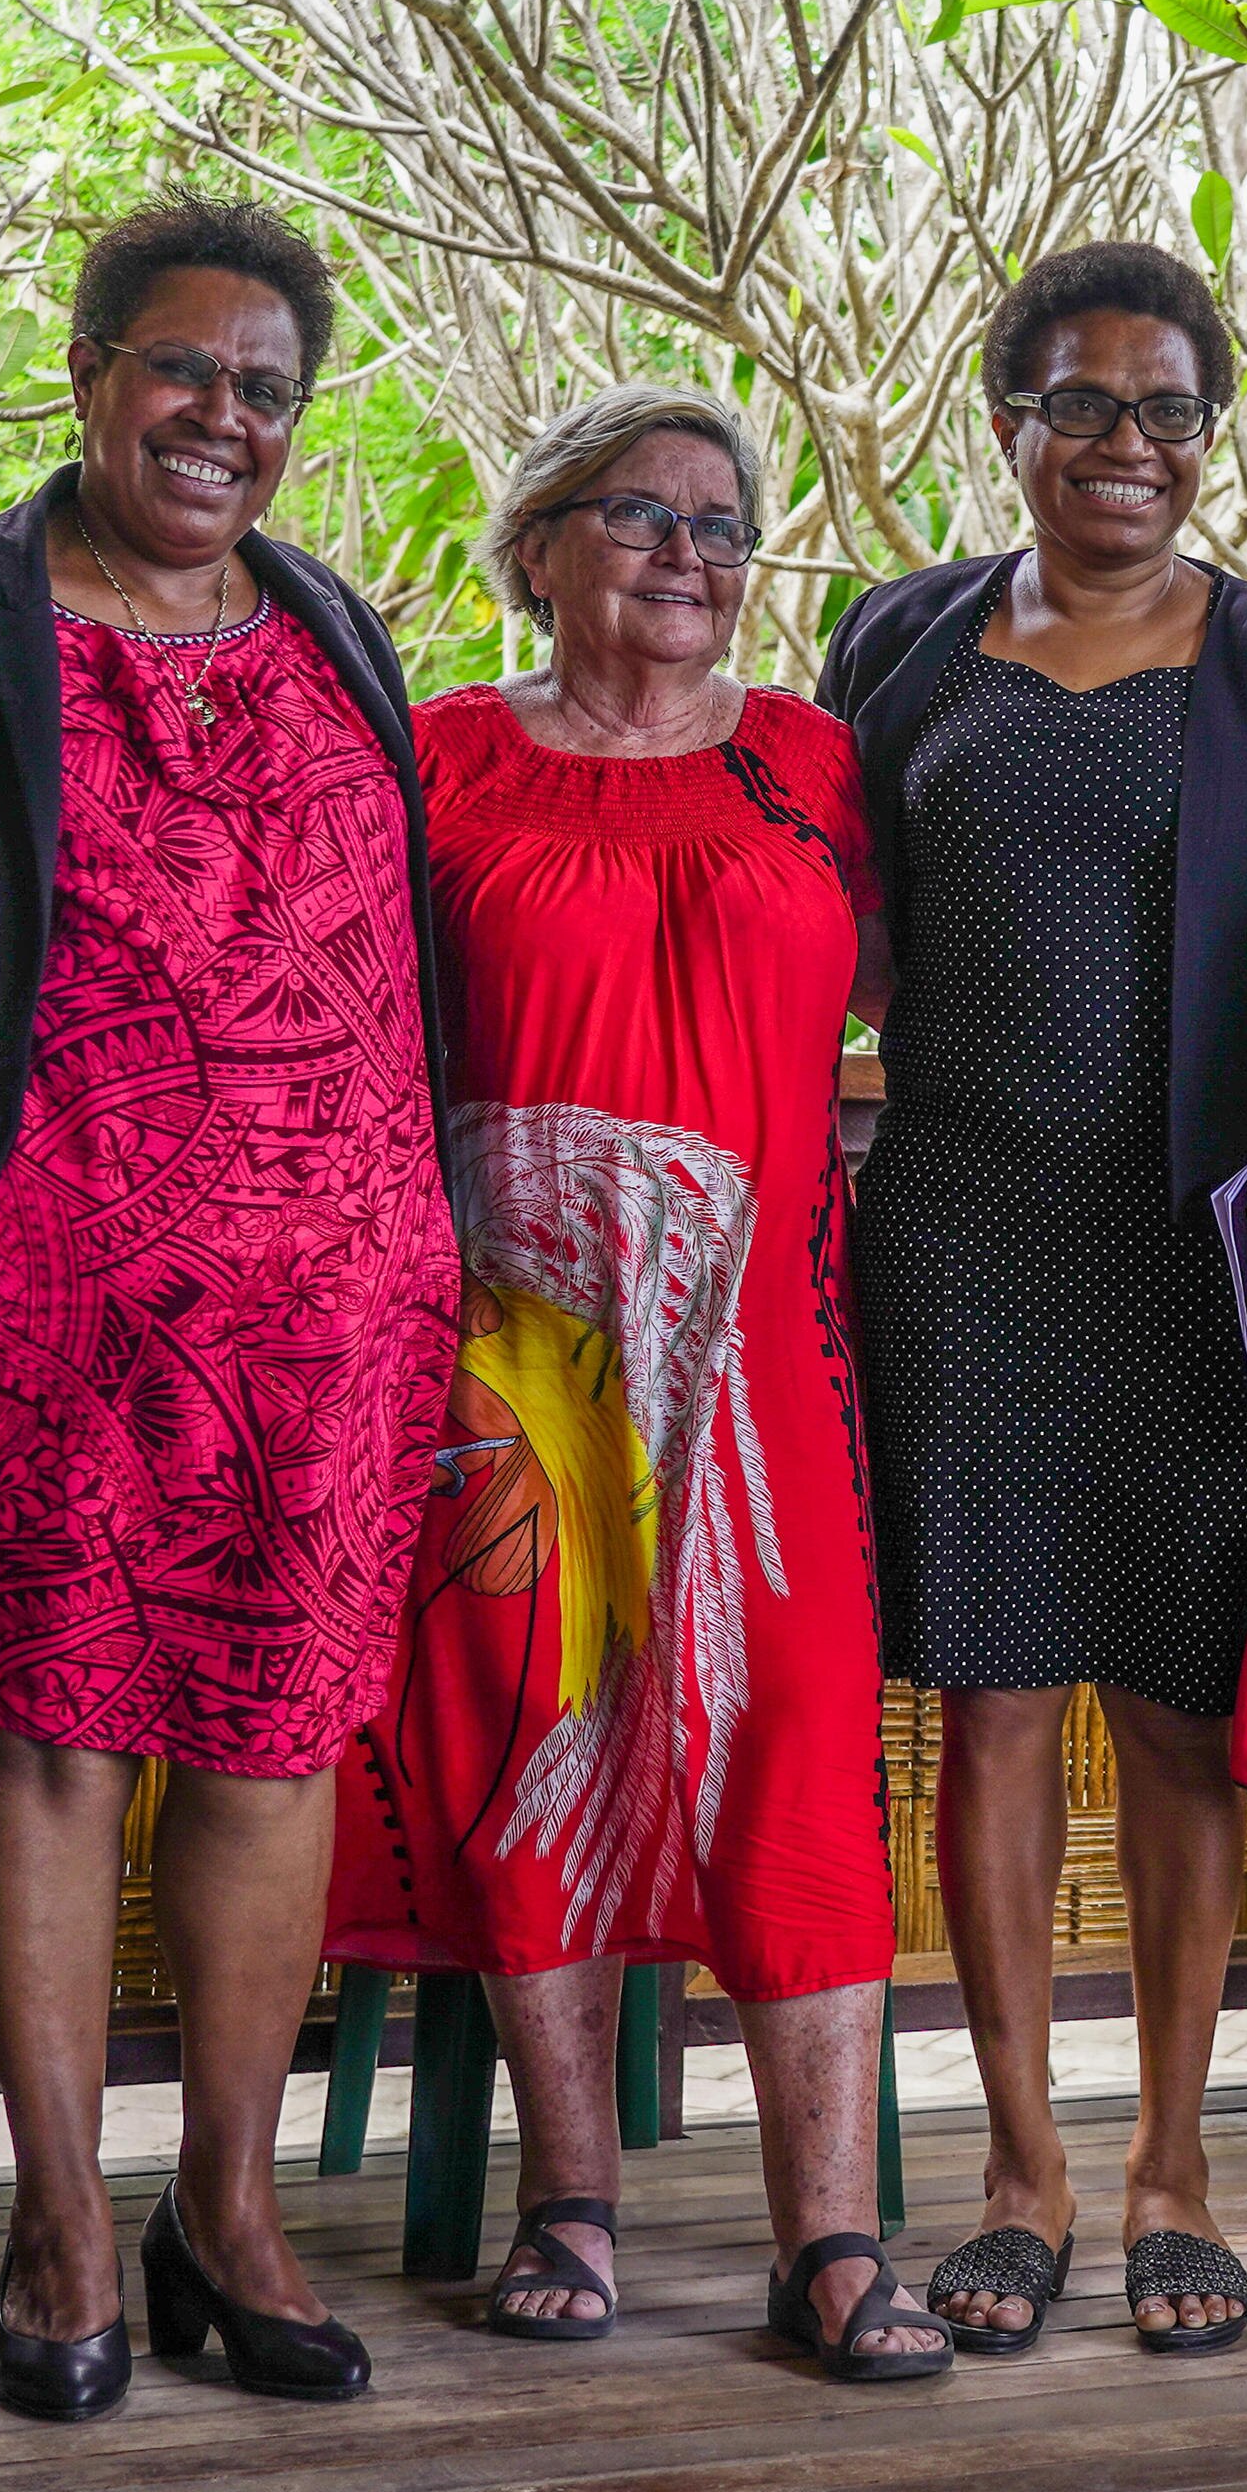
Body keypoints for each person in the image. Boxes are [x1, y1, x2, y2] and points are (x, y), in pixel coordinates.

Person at [0, 201, 458, 2418]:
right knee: (59, 1734)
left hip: (335, 1312)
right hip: (52, 1304)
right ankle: (62, 2213)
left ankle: (231, 2205)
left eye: (265, 388)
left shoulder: (336, 627)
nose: (222, 419)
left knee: (276, 1750)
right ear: (87, 372)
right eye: (181, 369)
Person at [325, 389, 948, 2386]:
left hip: (769, 1345)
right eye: (636, 516)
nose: (684, 551)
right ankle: (566, 2199)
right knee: (536, 1721)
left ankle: (828, 2234)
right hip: (509, 1355)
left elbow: (910, 994)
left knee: (787, 1732)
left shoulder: (816, 765)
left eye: (715, 523)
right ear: (537, 549)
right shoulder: (441, 759)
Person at [821, 242, 1247, 2358]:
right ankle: (1020, 2170)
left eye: (1165, 411)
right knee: (988, 1702)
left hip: (1197, 1257)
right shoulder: (901, 641)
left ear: (1204, 439)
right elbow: (838, 930)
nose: (1124, 447)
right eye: (1082, 405)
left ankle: (1172, 2167)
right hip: (960, 1226)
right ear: (1013, 423)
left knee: (1173, 1702)